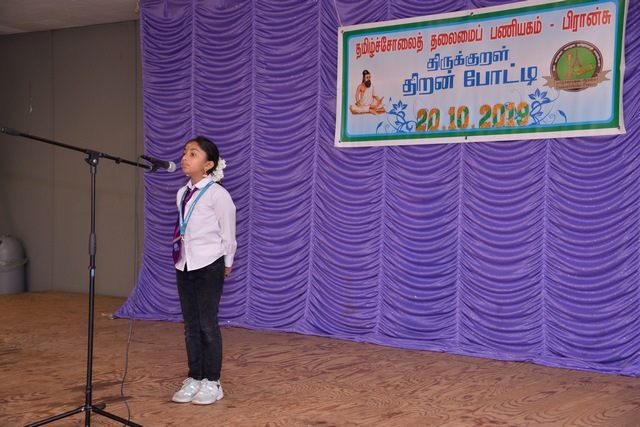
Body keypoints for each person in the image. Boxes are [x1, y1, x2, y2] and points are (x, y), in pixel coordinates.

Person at [171, 136, 237, 405]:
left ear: (208, 164)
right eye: (185, 152)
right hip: (185, 264)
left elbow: (228, 232)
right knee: (191, 325)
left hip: (210, 264)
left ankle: (213, 381)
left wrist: (227, 262)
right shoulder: (182, 193)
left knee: (207, 325)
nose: (185, 157)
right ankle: (195, 377)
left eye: (193, 154)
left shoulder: (217, 194)